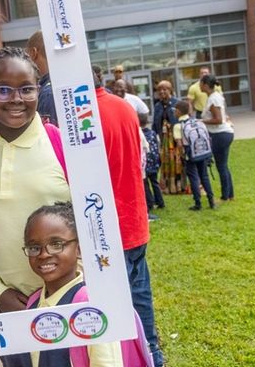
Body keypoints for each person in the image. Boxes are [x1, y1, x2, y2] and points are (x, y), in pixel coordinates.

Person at [0, 47, 70, 318]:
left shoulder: (63, 145)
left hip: (71, 301)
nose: (16, 99)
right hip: (8, 309)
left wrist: (78, 285)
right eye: (3, 90)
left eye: (26, 89)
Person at [94, 71, 164, 366]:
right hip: (134, 218)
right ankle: (153, 354)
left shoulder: (81, 115)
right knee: (140, 294)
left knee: (113, 306)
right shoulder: (124, 106)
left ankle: (129, 358)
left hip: (106, 227)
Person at [3, 202, 123, 367]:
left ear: (79, 249)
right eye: (34, 247)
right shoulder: (34, 303)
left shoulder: (92, 307)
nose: (44, 254)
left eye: (56, 244)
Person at [199, 74, 235, 201]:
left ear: (205, 85)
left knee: (221, 166)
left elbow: (218, 119)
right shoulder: (213, 97)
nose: (199, 85)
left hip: (220, 134)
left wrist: (201, 121)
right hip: (222, 134)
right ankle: (230, 194)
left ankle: (226, 195)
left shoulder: (214, 99)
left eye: (200, 82)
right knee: (223, 165)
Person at [174, 101, 215, 211]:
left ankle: (198, 203)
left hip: (190, 154)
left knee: (193, 178)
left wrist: (181, 156)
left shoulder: (178, 126)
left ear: (178, 111)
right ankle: (211, 201)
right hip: (202, 152)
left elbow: (179, 144)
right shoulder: (197, 121)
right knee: (204, 176)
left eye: (175, 110)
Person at [152, 80, 185, 195]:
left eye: (164, 89)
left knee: (177, 161)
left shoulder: (177, 103)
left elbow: (181, 121)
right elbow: (155, 123)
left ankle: (179, 186)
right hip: (164, 140)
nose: (162, 92)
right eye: (159, 90)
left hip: (176, 139)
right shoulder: (157, 106)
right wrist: (152, 136)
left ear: (170, 90)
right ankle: (167, 186)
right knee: (165, 161)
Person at [26, 30, 57, 126]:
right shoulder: (57, 85)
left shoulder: (47, 93)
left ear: (33, 53)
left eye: (26, 55)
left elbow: (47, 137)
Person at [140, 112, 164, 212]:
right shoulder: (152, 133)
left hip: (145, 163)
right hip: (154, 162)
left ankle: (149, 203)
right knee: (155, 182)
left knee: (145, 184)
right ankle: (160, 201)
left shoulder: (139, 134)